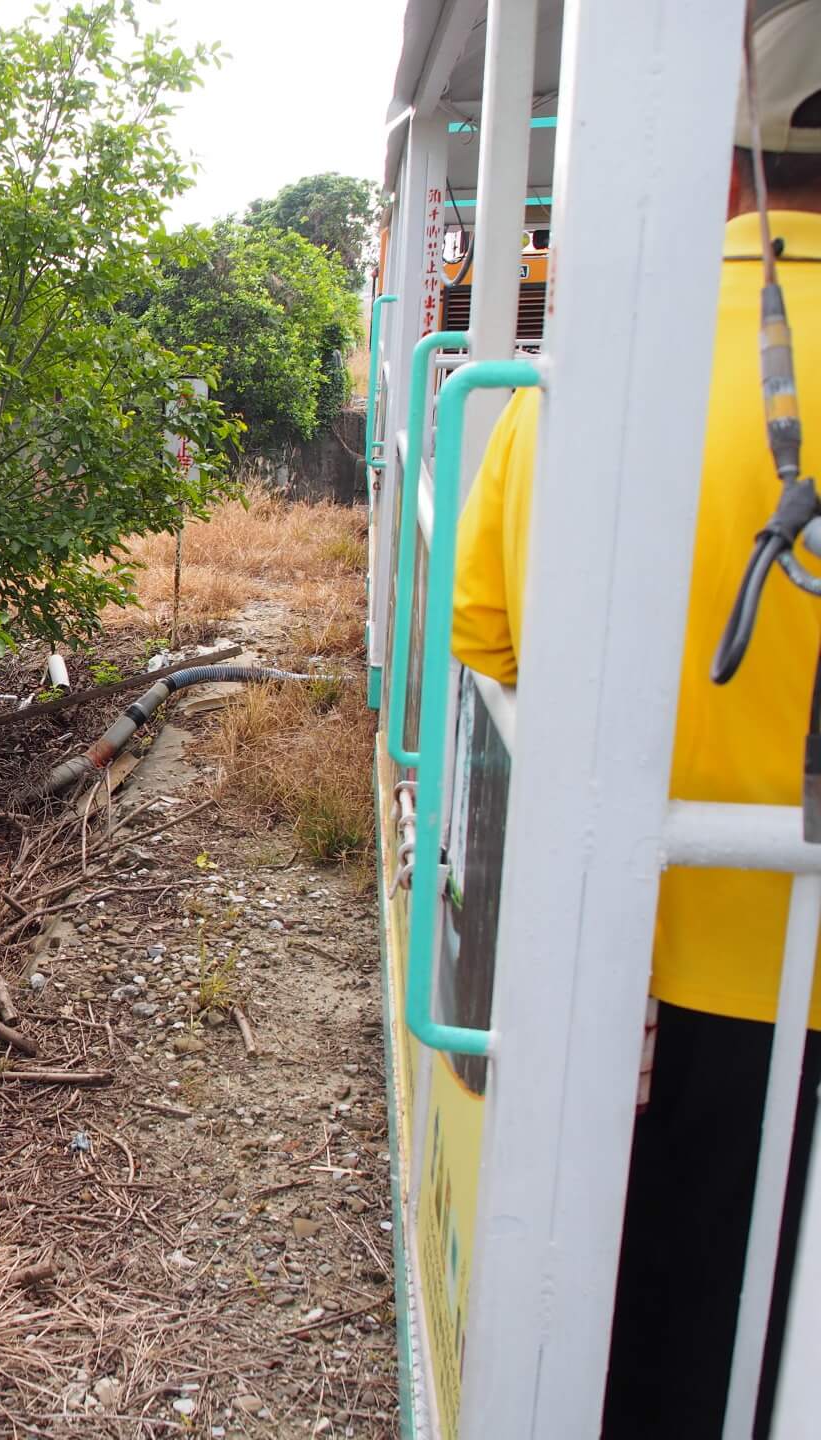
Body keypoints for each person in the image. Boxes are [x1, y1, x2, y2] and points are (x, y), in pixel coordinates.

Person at [449, 4, 821, 1434]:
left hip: (660, 990)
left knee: (665, 1350)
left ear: (726, 167)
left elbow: (488, 649)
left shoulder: (594, 374)